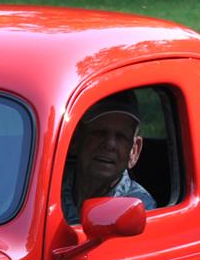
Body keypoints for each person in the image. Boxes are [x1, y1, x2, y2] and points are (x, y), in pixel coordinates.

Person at [61, 91, 156, 226]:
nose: (110, 144)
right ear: (75, 139)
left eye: (121, 136)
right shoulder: (48, 186)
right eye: (99, 133)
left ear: (134, 151)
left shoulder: (140, 208)